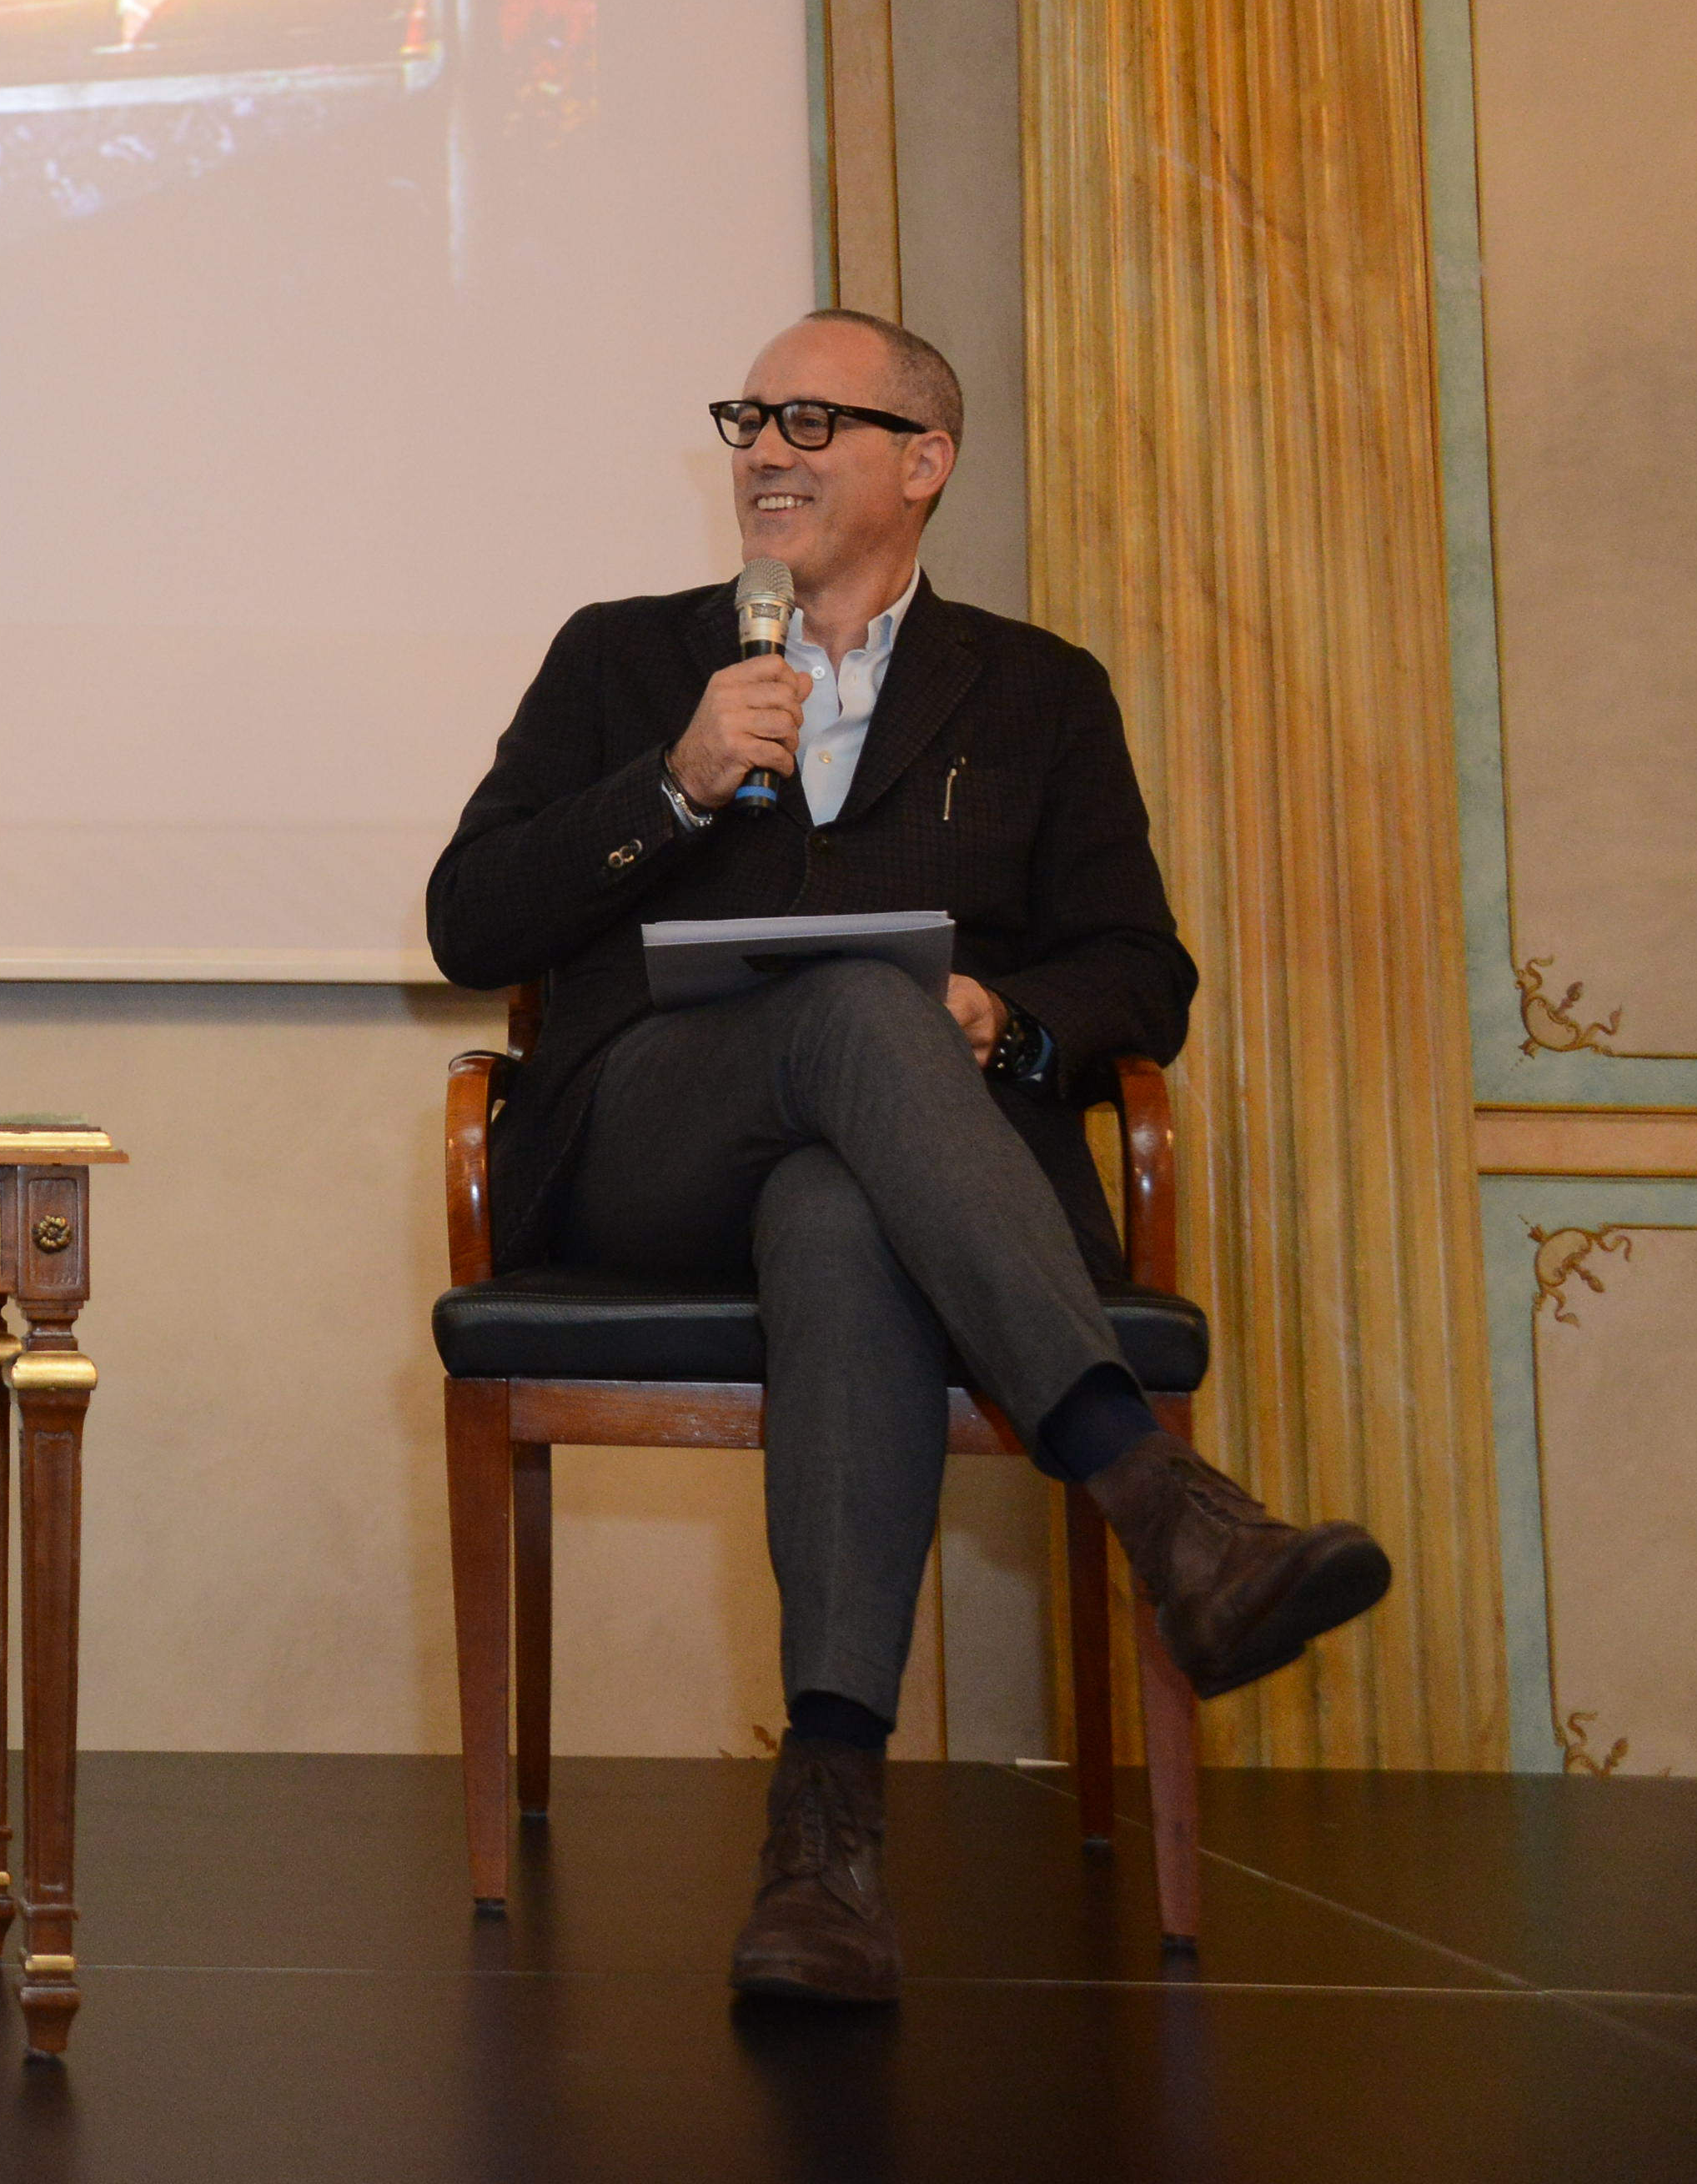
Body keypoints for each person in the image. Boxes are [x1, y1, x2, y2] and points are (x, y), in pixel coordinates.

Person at [425, 310, 1388, 2004]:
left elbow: (1137, 968)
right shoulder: (627, 659)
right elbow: (469, 915)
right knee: (849, 1016)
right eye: (749, 416)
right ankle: (1159, 1505)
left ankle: (826, 1838)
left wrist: (997, 1014)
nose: (766, 448)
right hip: (647, 1144)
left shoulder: (1039, 692)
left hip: (897, 1174)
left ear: (925, 461)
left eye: (814, 416)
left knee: (840, 1199)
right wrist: (673, 778)